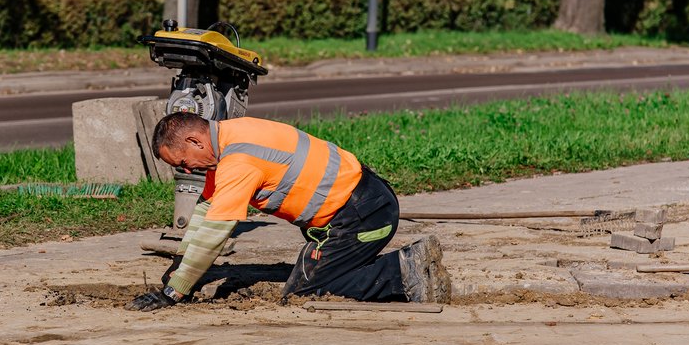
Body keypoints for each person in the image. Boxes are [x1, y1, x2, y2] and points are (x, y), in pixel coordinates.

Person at [125, 112, 451, 311]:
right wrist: (181, 264)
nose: (188, 169)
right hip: (365, 202)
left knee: (306, 293)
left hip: (362, 216)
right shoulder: (233, 134)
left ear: (195, 141)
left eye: (183, 162)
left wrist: (174, 291)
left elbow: (214, 232)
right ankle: (374, 266)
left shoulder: (238, 162)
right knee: (317, 274)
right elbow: (206, 211)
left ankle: (402, 271)